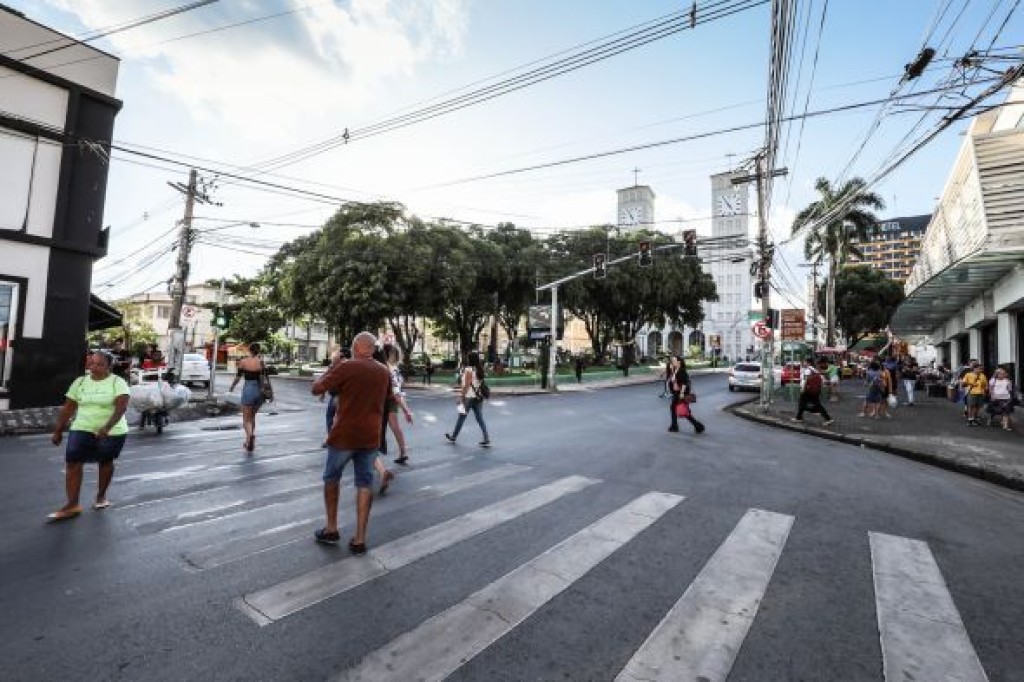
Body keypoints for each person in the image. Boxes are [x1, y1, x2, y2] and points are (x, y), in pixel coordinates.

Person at [310, 332, 392, 553]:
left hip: (344, 435)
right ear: (373, 349)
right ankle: (360, 538)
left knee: (331, 478)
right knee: (365, 483)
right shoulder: (384, 371)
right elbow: (389, 399)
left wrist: (333, 366)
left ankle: (331, 528)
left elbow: (316, 389)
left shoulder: (346, 367)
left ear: (356, 348)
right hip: (370, 436)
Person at [48, 351, 131, 521]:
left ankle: (101, 496)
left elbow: (121, 407)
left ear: (109, 366)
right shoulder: (80, 382)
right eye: (92, 363)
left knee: (105, 461)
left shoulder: (118, 382)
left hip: (112, 430)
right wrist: (58, 430)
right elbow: (68, 408)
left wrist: (107, 427)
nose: (94, 367)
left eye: (99, 364)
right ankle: (72, 505)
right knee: (73, 462)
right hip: (82, 427)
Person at [229, 342, 270, 453]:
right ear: (259, 350)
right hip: (260, 392)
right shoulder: (262, 362)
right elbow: (266, 379)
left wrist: (232, 387)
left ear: (249, 350)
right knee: (252, 417)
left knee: (246, 419)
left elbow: (238, 377)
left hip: (248, 390)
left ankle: (249, 438)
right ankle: (250, 440)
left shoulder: (243, 362)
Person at [445, 351, 491, 446]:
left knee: (461, 418)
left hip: (468, 397)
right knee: (480, 418)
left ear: (470, 359)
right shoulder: (480, 369)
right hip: (478, 397)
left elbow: (466, 385)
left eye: (467, 357)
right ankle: (486, 437)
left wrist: (461, 397)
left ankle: (453, 437)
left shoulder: (469, 369)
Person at [667, 355, 705, 434]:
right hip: (676, 393)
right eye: (672, 361)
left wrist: (682, 393)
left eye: (674, 361)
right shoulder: (675, 370)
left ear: (679, 362)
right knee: (678, 409)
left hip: (681, 393)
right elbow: (672, 380)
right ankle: (697, 426)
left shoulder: (682, 371)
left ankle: (697, 426)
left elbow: (684, 383)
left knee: (682, 410)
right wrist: (671, 370)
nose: (672, 362)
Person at [792, 360, 834, 425]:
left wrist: (803, 388)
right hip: (814, 390)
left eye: (805, 362)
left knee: (805, 403)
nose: (803, 363)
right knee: (806, 403)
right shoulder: (813, 369)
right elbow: (820, 378)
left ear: (808, 363)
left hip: (808, 390)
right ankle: (799, 417)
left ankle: (824, 417)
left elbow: (806, 380)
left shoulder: (808, 370)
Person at [986, 367, 1015, 431]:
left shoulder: (1007, 381)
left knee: (1006, 412)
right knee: (993, 412)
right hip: (996, 398)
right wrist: (992, 396)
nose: (1003, 375)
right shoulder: (993, 380)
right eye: (1001, 374)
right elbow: (990, 389)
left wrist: (1010, 397)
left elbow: (1009, 390)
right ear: (997, 374)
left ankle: (1005, 425)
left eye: (1004, 373)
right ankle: (990, 419)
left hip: (1006, 398)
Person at [961, 361, 988, 426]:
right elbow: (963, 384)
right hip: (972, 392)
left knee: (977, 407)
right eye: (979, 368)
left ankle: (974, 418)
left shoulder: (983, 376)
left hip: (980, 393)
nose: (981, 370)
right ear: (974, 368)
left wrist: (985, 390)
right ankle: (970, 419)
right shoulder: (968, 374)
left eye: (981, 369)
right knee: (971, 406)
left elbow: (985, 384)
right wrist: (971, 384)